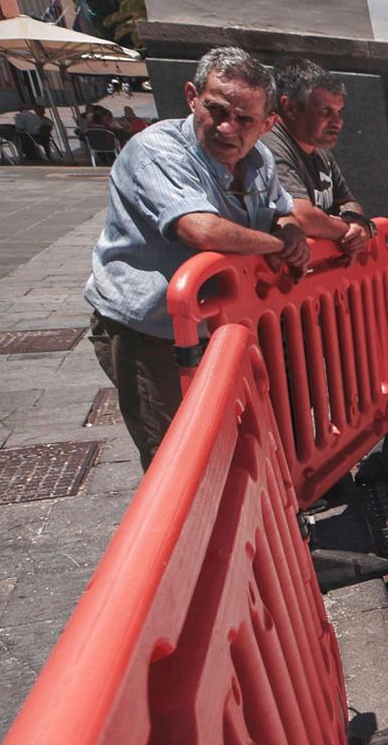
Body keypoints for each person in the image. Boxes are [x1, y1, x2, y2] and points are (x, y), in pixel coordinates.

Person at [83, 46, 310, 467]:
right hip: (151, 332)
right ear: (191, 96)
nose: (227, 128)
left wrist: (288, 228)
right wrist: (280, 245)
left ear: (267, 124)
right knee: (177, 458)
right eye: (216, 110)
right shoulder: (155, 149)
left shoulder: (259, 157)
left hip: (222, 328)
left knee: (234, 444)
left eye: (245, 120)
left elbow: (281, 212)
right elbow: (199, 229)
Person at [261, 59, 373, 256]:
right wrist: (352, 231)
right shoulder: (269, 145)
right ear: (291, 108)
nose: (337, 122)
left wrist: (355, 219)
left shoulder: (319, 148)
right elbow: (304, 217)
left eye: (339, 112)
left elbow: (346, 200)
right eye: (325, 112)